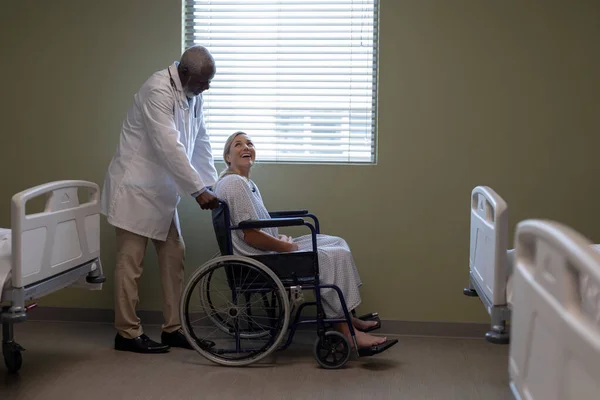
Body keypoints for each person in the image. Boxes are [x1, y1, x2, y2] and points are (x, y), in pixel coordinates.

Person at [213, 131, 394, 349]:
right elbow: (249, 234)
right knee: (332, 255)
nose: (246, 147)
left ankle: (345, 316)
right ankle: (346, 330)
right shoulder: (234, 184)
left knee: (337, 243)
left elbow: (253, 226)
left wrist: (277, 237)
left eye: (249, 143)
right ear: (227, 157)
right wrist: (286, 246)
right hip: (260, 259)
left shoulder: (244, 183)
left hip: (267, 250)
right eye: (238, 144)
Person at [101, 45, 220, 354]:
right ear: (184, 73)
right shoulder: (157, 90)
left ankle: (173, 328)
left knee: (174, 256)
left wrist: (211, 185)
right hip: (135, 190)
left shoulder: (193, 95)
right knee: (131, 264)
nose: (206, 87)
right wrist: (197, 191)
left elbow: (200, 140)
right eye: (203, 81)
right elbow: (169, 146)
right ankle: (126, 333)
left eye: (209, 82)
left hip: (161, 192)